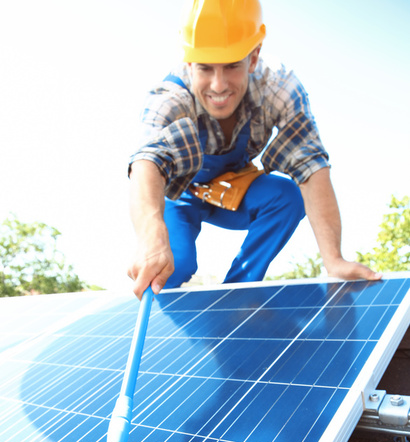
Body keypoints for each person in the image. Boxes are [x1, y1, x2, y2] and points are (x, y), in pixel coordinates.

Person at [128, 0, 381, 299]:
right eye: (205, 68)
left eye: (232, 66)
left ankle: (235, 295)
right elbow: (147, 163)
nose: (218, 85)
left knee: (286, 196)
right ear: (187, 62)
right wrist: (152, 236)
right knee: (174, 264)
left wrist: (334, 260)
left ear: (253, 57)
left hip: (233, 190)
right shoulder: (169, 98)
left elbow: (310, 167)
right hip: (180, 196)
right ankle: (163, 330)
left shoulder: (280, 88)